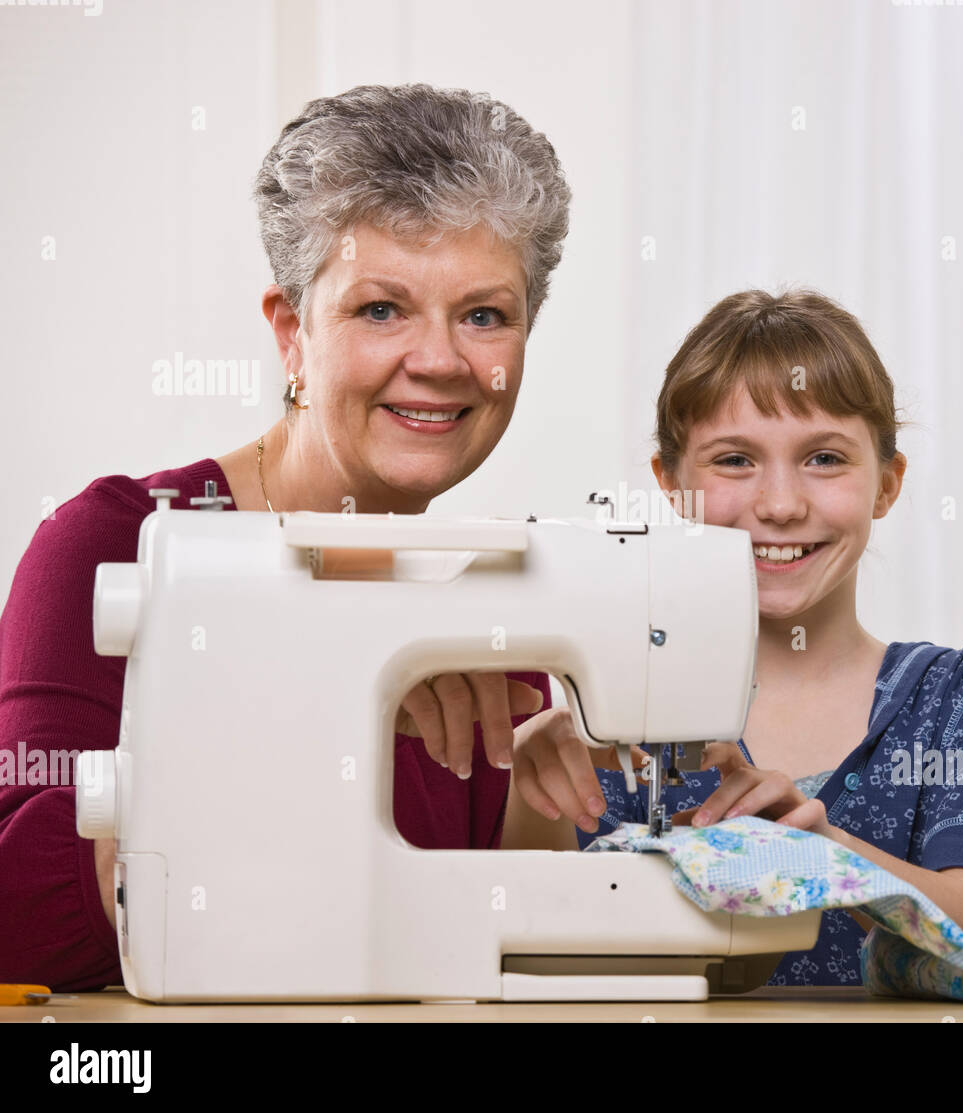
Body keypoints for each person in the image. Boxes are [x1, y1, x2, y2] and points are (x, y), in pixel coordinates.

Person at [0, 84, 571, 991]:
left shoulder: (488, 612)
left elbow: (474, 961)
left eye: (484, 314)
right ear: (291, 334)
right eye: (381, 309)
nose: (440, 359)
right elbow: (15, 921)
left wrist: (556, 812)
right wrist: (297, 701)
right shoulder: (113, 547)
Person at [504, 288, 963, 986]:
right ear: (671, 486)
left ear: (887, 483)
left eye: (824, 458)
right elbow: (536, 940)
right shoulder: (613, 699)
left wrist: (828, 859)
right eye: (733, 460)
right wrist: (525, 786)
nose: (780, 504)